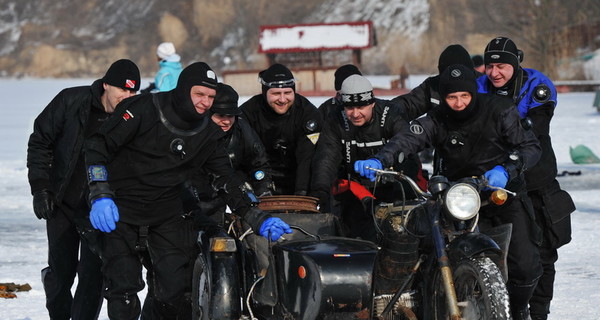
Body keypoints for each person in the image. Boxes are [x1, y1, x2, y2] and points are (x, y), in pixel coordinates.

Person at [84, 62, 292, 319]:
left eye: (211, 97)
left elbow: (226, 180)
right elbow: (97, 147)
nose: (206, 102)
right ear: (184, 90)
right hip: (120, 210)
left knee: (174, 293)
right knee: (123, 291)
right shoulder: (144, 109)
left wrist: (256, 216)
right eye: (200, 94)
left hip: (167, 215)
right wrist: (100, 193)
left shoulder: (208, 132)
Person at [355, 64, 543, 320]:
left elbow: (530, 147)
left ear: (473, 93)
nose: (458, 103)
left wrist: (507, 170)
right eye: (452, 97)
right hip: (460, 197)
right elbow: (408, 138)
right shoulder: (436, 118)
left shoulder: (500, 111)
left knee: (525, 266)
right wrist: (382, 158)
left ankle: (519, 307)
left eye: (464, 96)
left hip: (502, 193)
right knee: (444, 251)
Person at [26, 59, 141, 320]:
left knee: (93, 276)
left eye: (133, 92)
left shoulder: (132, 116)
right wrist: (41, 188)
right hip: (62, 203)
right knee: (61, 273)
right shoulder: (70, 101)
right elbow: (40, 143)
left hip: (100, 210)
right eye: (123, 89)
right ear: (106, 84)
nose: (128, 97)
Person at [477, 36, 576, 320]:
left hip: (535, 182)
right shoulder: (478, 86)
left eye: (501, 66)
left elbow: (536, 131)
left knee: (544, 253)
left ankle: (540, 313)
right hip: (495, 185)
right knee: (502, 255)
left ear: (515, 64)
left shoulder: (536, 85)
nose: (494, 73)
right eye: (489, 66)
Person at [311, 74, 424, 242]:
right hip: (360, 192)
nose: (355, 114)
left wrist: (381, 162)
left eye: (361, 107)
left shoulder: (391, 113)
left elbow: (405, 143)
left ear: (372, 103)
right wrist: (319, 192)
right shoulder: (335, 120)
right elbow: (326, 158)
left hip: (398, 187)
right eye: (349, 108)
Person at [187, 82, 274, 223]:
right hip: (197, 195)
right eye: (220, 115)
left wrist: (263, 191)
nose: (226, 121)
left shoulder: (241, 129)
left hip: (230, 188)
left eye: (231, 116)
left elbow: (259, 163)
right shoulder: (192, 133)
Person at [240, 63, 322, 195]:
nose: (283, 99)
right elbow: (247, 156)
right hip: (259, 176)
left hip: (298, 174)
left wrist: (301, 193)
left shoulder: (307, 113)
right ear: (265, 92)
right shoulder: (248, 113)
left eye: (288, 93)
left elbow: (307, 157)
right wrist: (261, 188)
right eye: (276, 93)